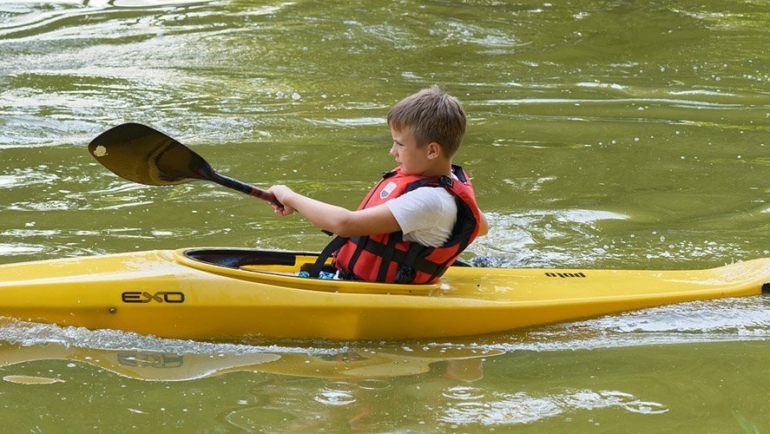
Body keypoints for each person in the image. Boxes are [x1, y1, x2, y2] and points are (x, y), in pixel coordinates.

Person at [268, 85, 488, 283]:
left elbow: (345, 224)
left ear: (432, 150)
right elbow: (481, 225)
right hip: (352, 278)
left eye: (399, 144)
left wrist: (289, 196)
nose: (392, 151)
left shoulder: (429, 200)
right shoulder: (448, 183)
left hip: (379, 293)